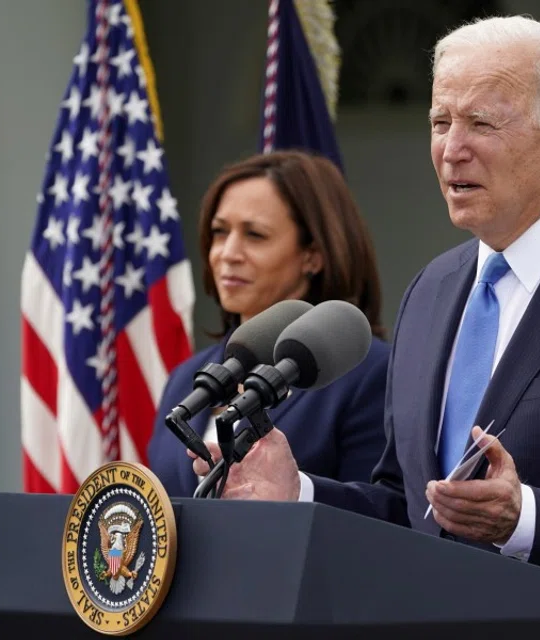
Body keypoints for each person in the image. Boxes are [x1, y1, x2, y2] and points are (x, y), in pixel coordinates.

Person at [190, 15, 540, 640]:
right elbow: (410, 510)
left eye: (481, 123)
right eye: (440, 122)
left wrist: (524, 518)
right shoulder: (432, 290)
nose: (452, 149)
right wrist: (300, 493)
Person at [148, 150, 389, 498]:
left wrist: (297, 493)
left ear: (313, 255)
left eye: (255, 235)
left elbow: (383, 521)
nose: (228, 253)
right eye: (219, 232)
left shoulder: (369, 375)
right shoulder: (186, 377)